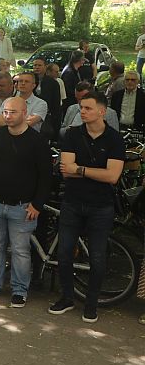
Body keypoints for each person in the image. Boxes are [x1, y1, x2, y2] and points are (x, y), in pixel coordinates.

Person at [50, 92, 124, 323]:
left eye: (88, 108)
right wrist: (90, 171)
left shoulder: (114, 139)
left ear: (102, 112)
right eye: (81, 107)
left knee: (98, 257)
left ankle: (91, 304)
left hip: (101, 206)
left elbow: (112, 176)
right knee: (64, 253)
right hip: (72, 202)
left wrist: (80, 170)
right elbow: (65, 168)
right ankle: (67, 297)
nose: (82, 112)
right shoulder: (72, 134)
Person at [0, 96, 52, 308]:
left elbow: (46, 176)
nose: (8, 116)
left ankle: (19, 290)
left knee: (20, 250)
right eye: (5, 112)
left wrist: (37, 204)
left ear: (25, 113)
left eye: (13, 112)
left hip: (23, 207)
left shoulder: (37, 142)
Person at [32, 58, 62, 133]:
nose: (37, 67)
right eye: (35, 65)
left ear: (45, 67)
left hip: (47, 115)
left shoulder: (52, 83)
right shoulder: (29, 80)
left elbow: (56, 104)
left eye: (39, 65)